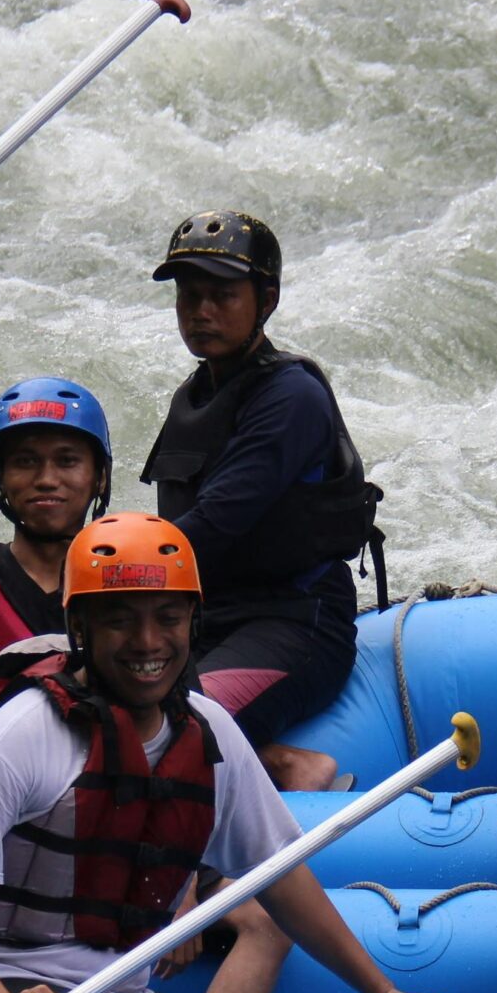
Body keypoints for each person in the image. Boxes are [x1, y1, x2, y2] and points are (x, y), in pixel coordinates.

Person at [0, 222, 287, 993]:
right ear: (0, 480)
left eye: (66, 461)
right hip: (3, 848)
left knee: (261, 916)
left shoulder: (138, 584)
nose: (46, 479)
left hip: (127, 832)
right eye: (25, 462)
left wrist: (188, 869)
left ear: (97, 478)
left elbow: (180, 732)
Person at [0, 513, 465, 993]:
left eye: (168, 618)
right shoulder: (20, 736)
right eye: (120, 621)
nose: (148, 642)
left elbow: (283, 878)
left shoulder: (208, 731)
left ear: (193, 622)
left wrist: (382, 992)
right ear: (81, 629)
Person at [139, 210, 382, 792]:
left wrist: (114, 573)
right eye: (189, 295)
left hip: (296, 622)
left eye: (222, 294)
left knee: (171, 731)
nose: (200, 311)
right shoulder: (194, 397)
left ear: (265, 299)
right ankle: (273, 761)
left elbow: (213, 525)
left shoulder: (291, 394)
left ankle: (288, 771)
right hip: (209, 621)